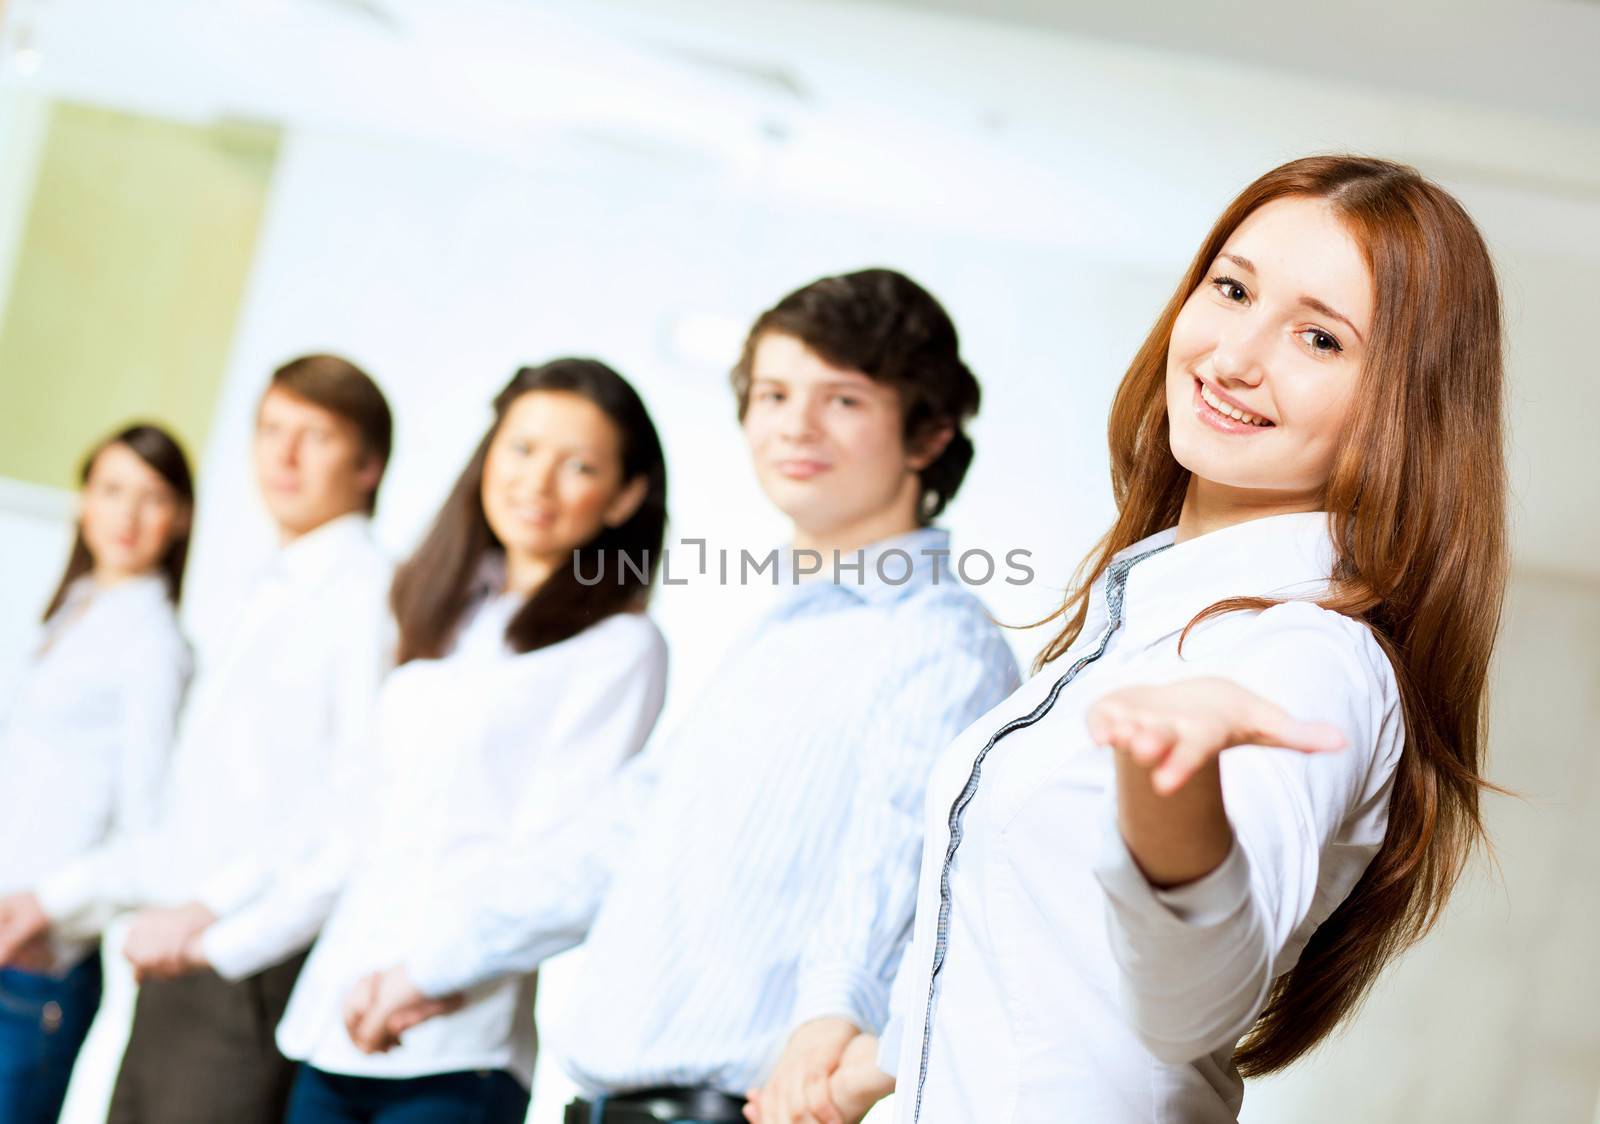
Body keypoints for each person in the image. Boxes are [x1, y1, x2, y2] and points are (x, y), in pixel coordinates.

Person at [792, 155, 1507, 1124]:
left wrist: (1175, 799)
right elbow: (1054, 959)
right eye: (1231, 287)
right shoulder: (1144, 608)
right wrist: (879, 1060)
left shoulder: (1310, 658)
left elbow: (1194, 994)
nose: (1234, 355)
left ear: (1401, 406)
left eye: (1317, 336)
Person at [343, 269, 1021, 1124]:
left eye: (843, 399)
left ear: (927, 435)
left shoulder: (937, 639)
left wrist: (833, 1018)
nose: (795, 425)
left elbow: (892, 861)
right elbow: (626, 831)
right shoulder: (783, 630)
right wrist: (431, 966)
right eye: (773, 392)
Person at [145, 359, 672, 1124]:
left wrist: (423, 974)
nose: (537, 482)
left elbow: (562, 864)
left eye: (579, 465)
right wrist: (220, 924)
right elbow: (353, 815)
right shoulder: (442, 614)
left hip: (450, 1050)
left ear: (625, 496)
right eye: (521, 449)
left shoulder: (620, 646)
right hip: (336, 1025)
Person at [0, 355, 397, 1124]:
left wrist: (216, 923)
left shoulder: (367, 595)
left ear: (367, 465)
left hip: (239, 960)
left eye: (313, 436)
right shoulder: (265, 592)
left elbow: (351, 804)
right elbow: (197, 808)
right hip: (176, 948)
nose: (282, 456)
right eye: (271, 430)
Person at [0, 424, 194, 1124]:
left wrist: (46, 903)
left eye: (152, 498)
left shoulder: (153, 645)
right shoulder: (71, 611)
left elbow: (152, 835)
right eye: (112, 491)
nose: (126, 516)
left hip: (34, 961)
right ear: (84, 500)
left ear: (180, 519)